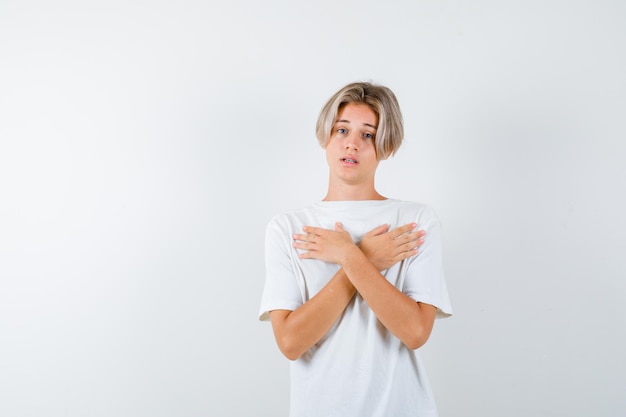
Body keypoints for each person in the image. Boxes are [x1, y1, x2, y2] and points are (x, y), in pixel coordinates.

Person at [259, 81, 453, 417]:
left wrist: (350, 255)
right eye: (342, 130)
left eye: (367, 134)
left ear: (385, 146)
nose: (352, 143)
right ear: (326, 137)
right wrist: (365, 258)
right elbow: (290, 343)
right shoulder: (288, 228)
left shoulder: (414, 221)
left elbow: (416, 332)